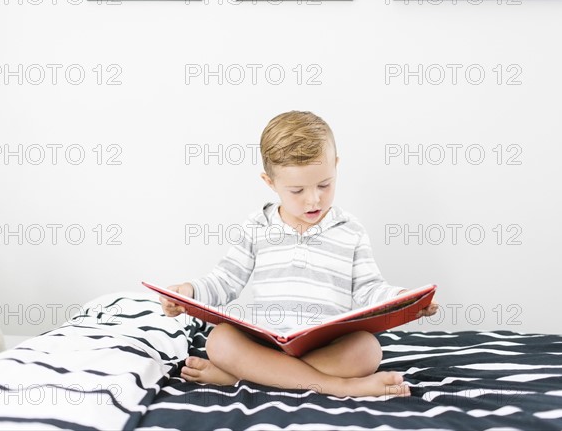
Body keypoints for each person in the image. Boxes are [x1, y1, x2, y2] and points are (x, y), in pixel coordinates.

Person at [160, 111, 438, 397]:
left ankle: (244, 376)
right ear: (270, 183)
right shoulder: (257, 226)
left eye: (324, 184)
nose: (313, 198)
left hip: (326, 347)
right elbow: (225, 281)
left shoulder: (350, 230)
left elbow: (369, 289)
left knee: (367, 349)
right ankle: (341, 386)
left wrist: (402, 299)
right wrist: (189, 292)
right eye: (297, 190)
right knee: (218, 340)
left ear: (336, 167)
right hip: (266, 343)